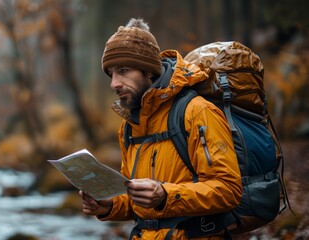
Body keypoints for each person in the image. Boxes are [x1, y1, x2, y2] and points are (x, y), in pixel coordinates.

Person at [79, 18, 243, 239]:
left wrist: (166, 195)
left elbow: (228, 191)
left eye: (123, 70)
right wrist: (109, 205)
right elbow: (135, 198)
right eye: (111, 74)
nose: (114, 83)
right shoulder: (129, 127)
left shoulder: (197, 112)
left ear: (149, 72)